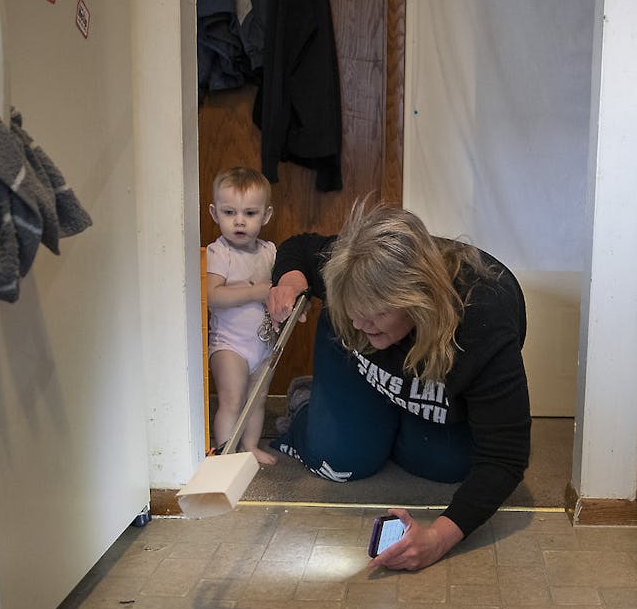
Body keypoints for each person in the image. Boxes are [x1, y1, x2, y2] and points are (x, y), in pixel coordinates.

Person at [266, 200, 531, 571]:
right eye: (351, 308)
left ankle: (372, 417)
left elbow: (506, 456)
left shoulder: (485, 321)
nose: (360, 322)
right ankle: (312, 402)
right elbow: (298, 247)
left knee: (450, 466)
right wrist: (291, 279)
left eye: (376, 311)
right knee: (342, 461)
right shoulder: (357, 268)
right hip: (360, 362)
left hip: (426, 380)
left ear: (418, 299)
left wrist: (437, 539)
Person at [206, 167, 279, 465]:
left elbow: (279, 292)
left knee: (256, 400)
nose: (239, 221)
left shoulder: (270, 252)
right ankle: (225, 453)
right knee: (232, 399)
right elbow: (212, 296)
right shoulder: (219, 252)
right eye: (229, 212)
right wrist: (256, 291)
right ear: (214, 214)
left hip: (264, 345)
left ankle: (249, 446)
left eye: (249, 213)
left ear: (266, 215)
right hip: (230, 345)